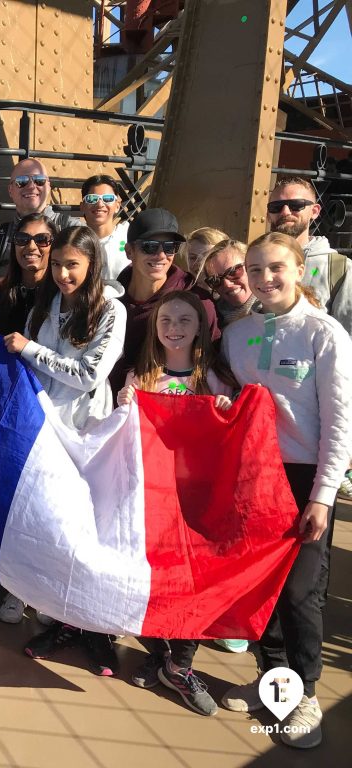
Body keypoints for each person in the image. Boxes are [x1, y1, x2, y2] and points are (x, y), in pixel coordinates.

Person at [219, 232, 352, 749]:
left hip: (302, 478)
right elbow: (228, 394)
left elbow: (340, 424)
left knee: (300, 592)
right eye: (254, 270)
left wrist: (322, 496)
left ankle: (307, 692)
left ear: (299, 270)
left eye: (275, 268)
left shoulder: (325, 335)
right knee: (260, 587)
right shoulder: (238, 333)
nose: (264, 279)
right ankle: (273, 678)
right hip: (254, 475)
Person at [3, 226, 126, 676]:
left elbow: (88, 374)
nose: (61, 273)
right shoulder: (50, 302)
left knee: (89, 532)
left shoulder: (112, 310)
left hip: (88, 435)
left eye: (71, 264)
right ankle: (62, 621)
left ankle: (96, 632)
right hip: (48, 432)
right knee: (56, 526)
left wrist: (30, 347)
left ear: (92, 264)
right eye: (57, 264)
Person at [117, 291, 239, 716]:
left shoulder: (216, 380)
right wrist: (124, 407)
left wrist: (228, 412)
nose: (174, 327)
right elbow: (122, 437)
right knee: (152, 578)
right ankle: (158, 652)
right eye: (166, 319)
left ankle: (181, 664)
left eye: (185, 320)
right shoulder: (141, 378)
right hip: (151, 501)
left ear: (201, 328)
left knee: (197, 583)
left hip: (199, 504)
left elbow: (236, 435)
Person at [0, 212, 58, 624]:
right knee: (13, 497)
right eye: (24, 240)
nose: (33, 248)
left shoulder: (62, 296)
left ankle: (41, 588)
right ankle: (15, 586)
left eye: (43, 240)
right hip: (7, 408)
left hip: (50, 411)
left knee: (45, 501)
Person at [109, 208, 219, 395]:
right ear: (129, 251)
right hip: (112, 412)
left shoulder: (198, 302)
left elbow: (213, 363)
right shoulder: (109, 299)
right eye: (150, 246)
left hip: (174, 412)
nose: (161, 255)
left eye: (170, 247)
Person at [267, 175, 352, 332]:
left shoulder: (340, 268)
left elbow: (348, 334)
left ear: (314, 211)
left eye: (296, 205)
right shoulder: (256, 261)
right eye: (276, 207)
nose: (285, 212)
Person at [0, 157, 81, 284]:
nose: (32, 186)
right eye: (22, 181)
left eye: (39, 181)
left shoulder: (73, 230)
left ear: (48, 186)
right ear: (10, 190)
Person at [79, 174, 130, 281]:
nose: (100, 204)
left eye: (108, 198)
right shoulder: (74, 241)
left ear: (117, 206)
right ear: (82, 206)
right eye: (92, 199)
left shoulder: (129, 236)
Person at [202, 239, 260, 328]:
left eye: (233, 272)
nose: (227, 284)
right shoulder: (211, 319)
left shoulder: (276, 309)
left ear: (251, 266)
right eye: (215, 280)